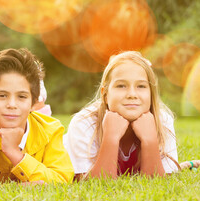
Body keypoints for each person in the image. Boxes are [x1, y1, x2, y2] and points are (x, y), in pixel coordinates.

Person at [0, 48, 74, 186]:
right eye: (2, 95)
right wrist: (26, 187)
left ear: (33, 102)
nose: (12, 105)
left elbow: (61, 178)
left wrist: (15, 153)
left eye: (22, 97)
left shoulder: (50, 130)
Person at [64, 51, 179, 179]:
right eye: (121, 86)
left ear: (151, 93)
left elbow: (159, 183)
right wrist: (111, 138)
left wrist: (149, 141)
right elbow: (93, 184)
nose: (132, 94)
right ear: (105, 94)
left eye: (141, 86)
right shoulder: (84, 122)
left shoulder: (162, 120)